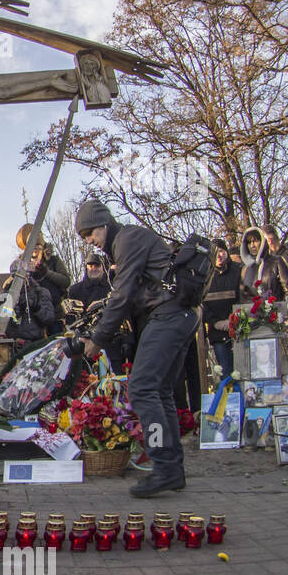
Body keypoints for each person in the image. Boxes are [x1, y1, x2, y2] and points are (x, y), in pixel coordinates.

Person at [76, 199, 195, 497]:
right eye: (84, 236)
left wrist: (98, 339)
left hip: (169, 314)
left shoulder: (127, 239)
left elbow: (123, 295)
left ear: (104, 223)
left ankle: (163, 467)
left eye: (90, 232)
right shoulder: (125, 242)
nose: (89, 239)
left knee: (141, 387)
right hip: (178, 314)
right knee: (161, 390)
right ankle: (172, 468)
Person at [16, 223, 71, 333]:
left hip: (55, 313)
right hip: (33, 316)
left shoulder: (53, 260)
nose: (35, 249)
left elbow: (66, 281)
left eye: (37, 245)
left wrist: (47, 272)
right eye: (31, 246)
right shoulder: (22, 264)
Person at [202, 238, 240, 382]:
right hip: (217, 331)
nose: (219, 256)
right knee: (226, 373)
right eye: (215, 252)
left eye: (222, 251)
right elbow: (200, 303)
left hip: (238, 328)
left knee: (243, 370)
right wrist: (215, 322)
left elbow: (243, 296)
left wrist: (233, 319)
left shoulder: (238, 270)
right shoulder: (205, 275)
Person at [239, 225, 288, 303]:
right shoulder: (245, 269)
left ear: (263, 242)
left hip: (275, 311)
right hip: (252, 313)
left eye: (256, 241)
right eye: (249, 242)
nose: (252, 245)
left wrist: (282, 310)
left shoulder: (276, 262)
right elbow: (243, 297)